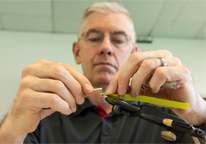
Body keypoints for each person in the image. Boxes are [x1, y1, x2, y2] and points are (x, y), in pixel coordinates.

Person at [0, 2, 205, 144]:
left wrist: (199, 113)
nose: (106, 47)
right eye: (94, 37)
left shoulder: (168, 111)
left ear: (133, 53)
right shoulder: (43, 115)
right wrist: (11, 129)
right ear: (77, 51)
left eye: (118, 39)